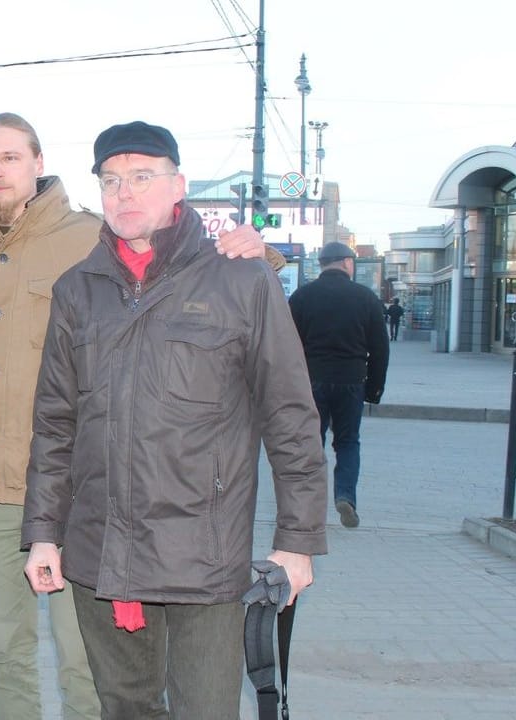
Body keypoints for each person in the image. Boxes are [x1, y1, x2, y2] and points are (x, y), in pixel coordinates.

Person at [0, 112, 277, 720]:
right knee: (5, 654)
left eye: (10, 157)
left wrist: (262, 251)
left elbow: (187, 263)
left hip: (80, 492)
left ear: (38, 163)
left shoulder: (91, 234)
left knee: (87, 668)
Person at [21, 120, 328, 720]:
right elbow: (56, 423)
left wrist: (298, 540)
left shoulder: (241, 278)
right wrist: (42, 533)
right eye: (110, 181)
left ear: (178, 184)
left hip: (205, 557)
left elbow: (290, 415)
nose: (124, 193)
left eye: (141, 177)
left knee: (207, 711)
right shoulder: (77, 291)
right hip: (102, 553)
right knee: (125, 709)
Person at [288, 241, 390, 528]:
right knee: (347, 442)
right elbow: (380, 348)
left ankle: (308, 507)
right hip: (351, 380)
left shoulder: (302, 297)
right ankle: (345, 496)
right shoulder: (365, 298)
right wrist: (374, 389)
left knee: (310, 443)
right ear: (347, 263)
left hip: (311, 381)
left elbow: (287, 344)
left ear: (321, 264)